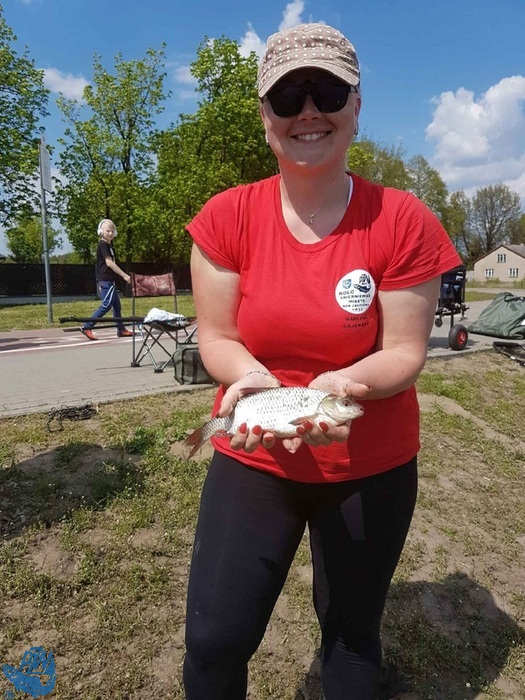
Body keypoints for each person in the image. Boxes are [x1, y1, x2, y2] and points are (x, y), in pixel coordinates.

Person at [183, 22, 462, 700]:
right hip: (255, 454)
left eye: (328, 92)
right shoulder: (225, 218)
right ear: (265, 118)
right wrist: (248, 377)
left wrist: (345, 383)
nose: (308, 111)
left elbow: (405, 352)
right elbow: (216, 337)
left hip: (369, 463)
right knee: (214, 639)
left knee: (350, 633)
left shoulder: (403, 220)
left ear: (356, 107)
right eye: (287, 97)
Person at [80, 219, 133, 340]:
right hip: (106, 279)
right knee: (107, 305)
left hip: (108, 280)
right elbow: (109, 263)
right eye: (107, 231)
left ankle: (121, 329)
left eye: (112, 231)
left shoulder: (108, 246)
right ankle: (87, 326)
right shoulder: (103, 245)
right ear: (100, 231)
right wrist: (124, 275)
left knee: (116, 306)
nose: (110, 233)